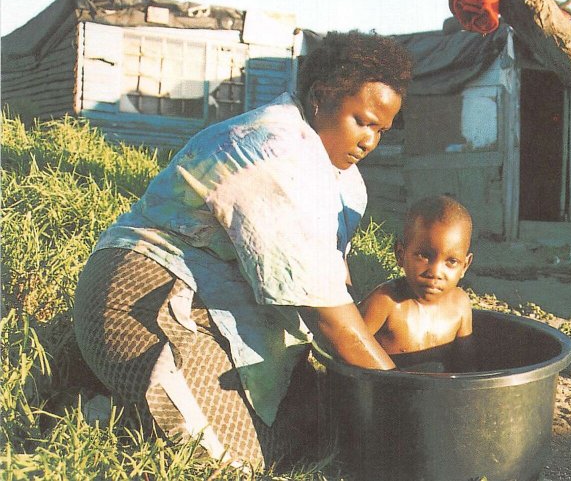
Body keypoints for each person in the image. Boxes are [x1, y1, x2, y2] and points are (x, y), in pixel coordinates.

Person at [72, 30, 413, 467]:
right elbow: (326, 315)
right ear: (321, 96)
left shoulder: (340, 177)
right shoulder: (273, 151)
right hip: (143, 293)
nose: (370, 141)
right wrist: (410, 395)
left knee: (313, 434)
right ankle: (101, 407)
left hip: (221, 303)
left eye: (381, 130)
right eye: (362, 121)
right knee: (236, 460)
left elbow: (334, 281)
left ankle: (132, 400)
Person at [359, 195, 477, 372]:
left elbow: (466, 366)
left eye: (451, 261)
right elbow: (345, 345)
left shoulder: (460, 304)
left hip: (442, 395)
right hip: (388, 394)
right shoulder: (386, 302)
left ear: (464, 266)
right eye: (424, 255)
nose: (435, 273)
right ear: (401, 253)